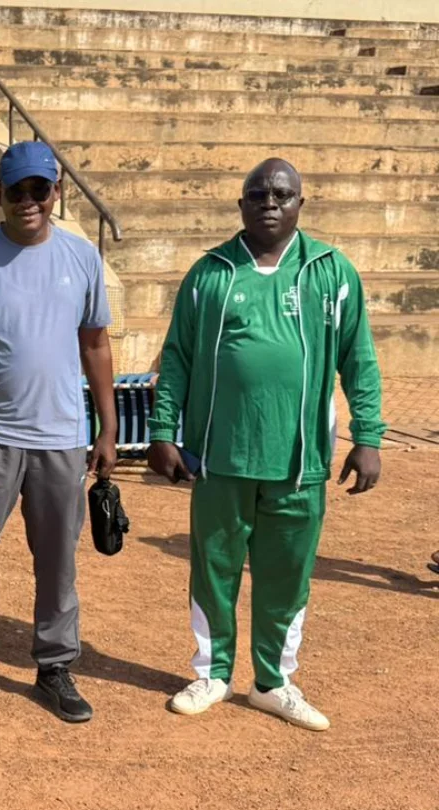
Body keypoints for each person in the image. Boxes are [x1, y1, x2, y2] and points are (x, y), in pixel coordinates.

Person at [148, 158, 384, 731]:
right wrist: (161, 431)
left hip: (300, 460)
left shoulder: (331, 271)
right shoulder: (210, 273)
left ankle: (274, 683)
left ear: (301, 203)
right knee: (215, 568)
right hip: (219, 456)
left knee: (287, 575)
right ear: (241, 204)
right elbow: (176, 357)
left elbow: (358, 357)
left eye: (282, 194)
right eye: (258, 194)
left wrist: (368, 436)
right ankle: (213, 674)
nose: (270, 203)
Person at [0, 142, 118, 726]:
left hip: (60, 435)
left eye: (40, 189)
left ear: (56, 192)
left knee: (58, 562)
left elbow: (95, 344)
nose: (29, 201)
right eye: (18, 191)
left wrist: (108, 426)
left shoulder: (82, 258)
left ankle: (54, 666)